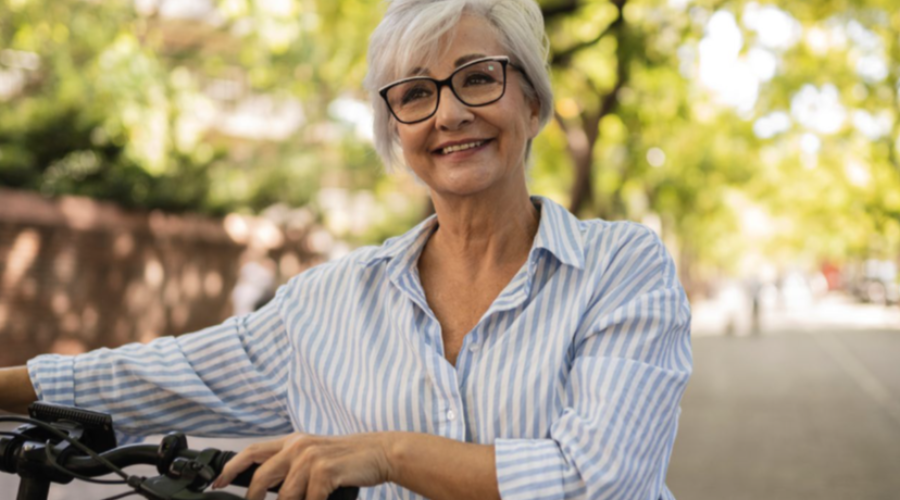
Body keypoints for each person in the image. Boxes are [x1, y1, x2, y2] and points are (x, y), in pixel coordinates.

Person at [0, 0, 693, 499]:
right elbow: (160, 375)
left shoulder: (622, 268)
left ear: (533, 103)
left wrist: (388, 455)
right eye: (415, 94)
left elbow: (600, 477)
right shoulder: (329, 302)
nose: (449, 113)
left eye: (479, 77)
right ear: (396, 134)